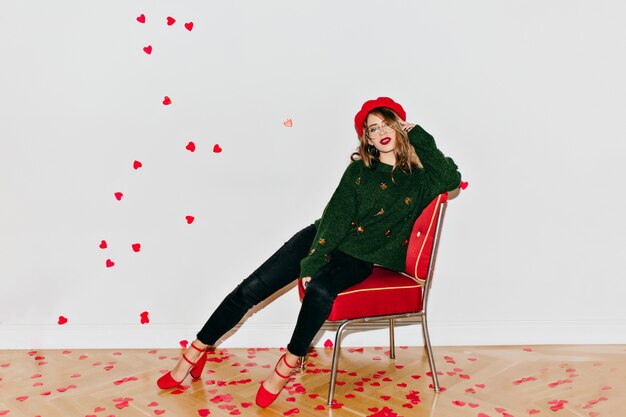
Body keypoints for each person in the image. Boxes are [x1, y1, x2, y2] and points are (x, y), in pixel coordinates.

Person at [156, 97, 462, 408]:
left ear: (399, 127)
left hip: (359, 257)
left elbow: (451, 178)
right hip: (320, 238)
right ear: (366, 139)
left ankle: (287, 363)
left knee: (320, 290)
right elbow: (335, 219)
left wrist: (418, 135)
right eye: (373, 128)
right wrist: (312, 261)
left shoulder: (419, 178)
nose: (381, 132)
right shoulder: (359, 171)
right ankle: (195, 350)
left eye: (387, 123)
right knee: (251, 289)